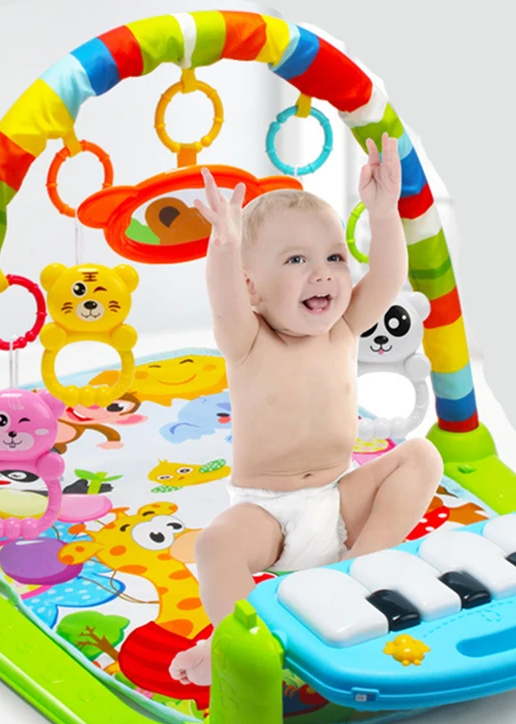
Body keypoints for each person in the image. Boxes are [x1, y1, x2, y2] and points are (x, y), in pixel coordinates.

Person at [169, 132, 443, 686]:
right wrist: (224, 246)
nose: (323, 273)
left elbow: (387, 277)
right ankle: (243, 642)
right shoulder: (248, 340)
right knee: (215, 544)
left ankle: (359, 570)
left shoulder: (343, 328)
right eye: (297, 259)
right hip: (268, 515)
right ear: (253, 288)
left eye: (334, 257)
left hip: (338, 503)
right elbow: (223, 300)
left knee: (422, 457)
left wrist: (383, 212)